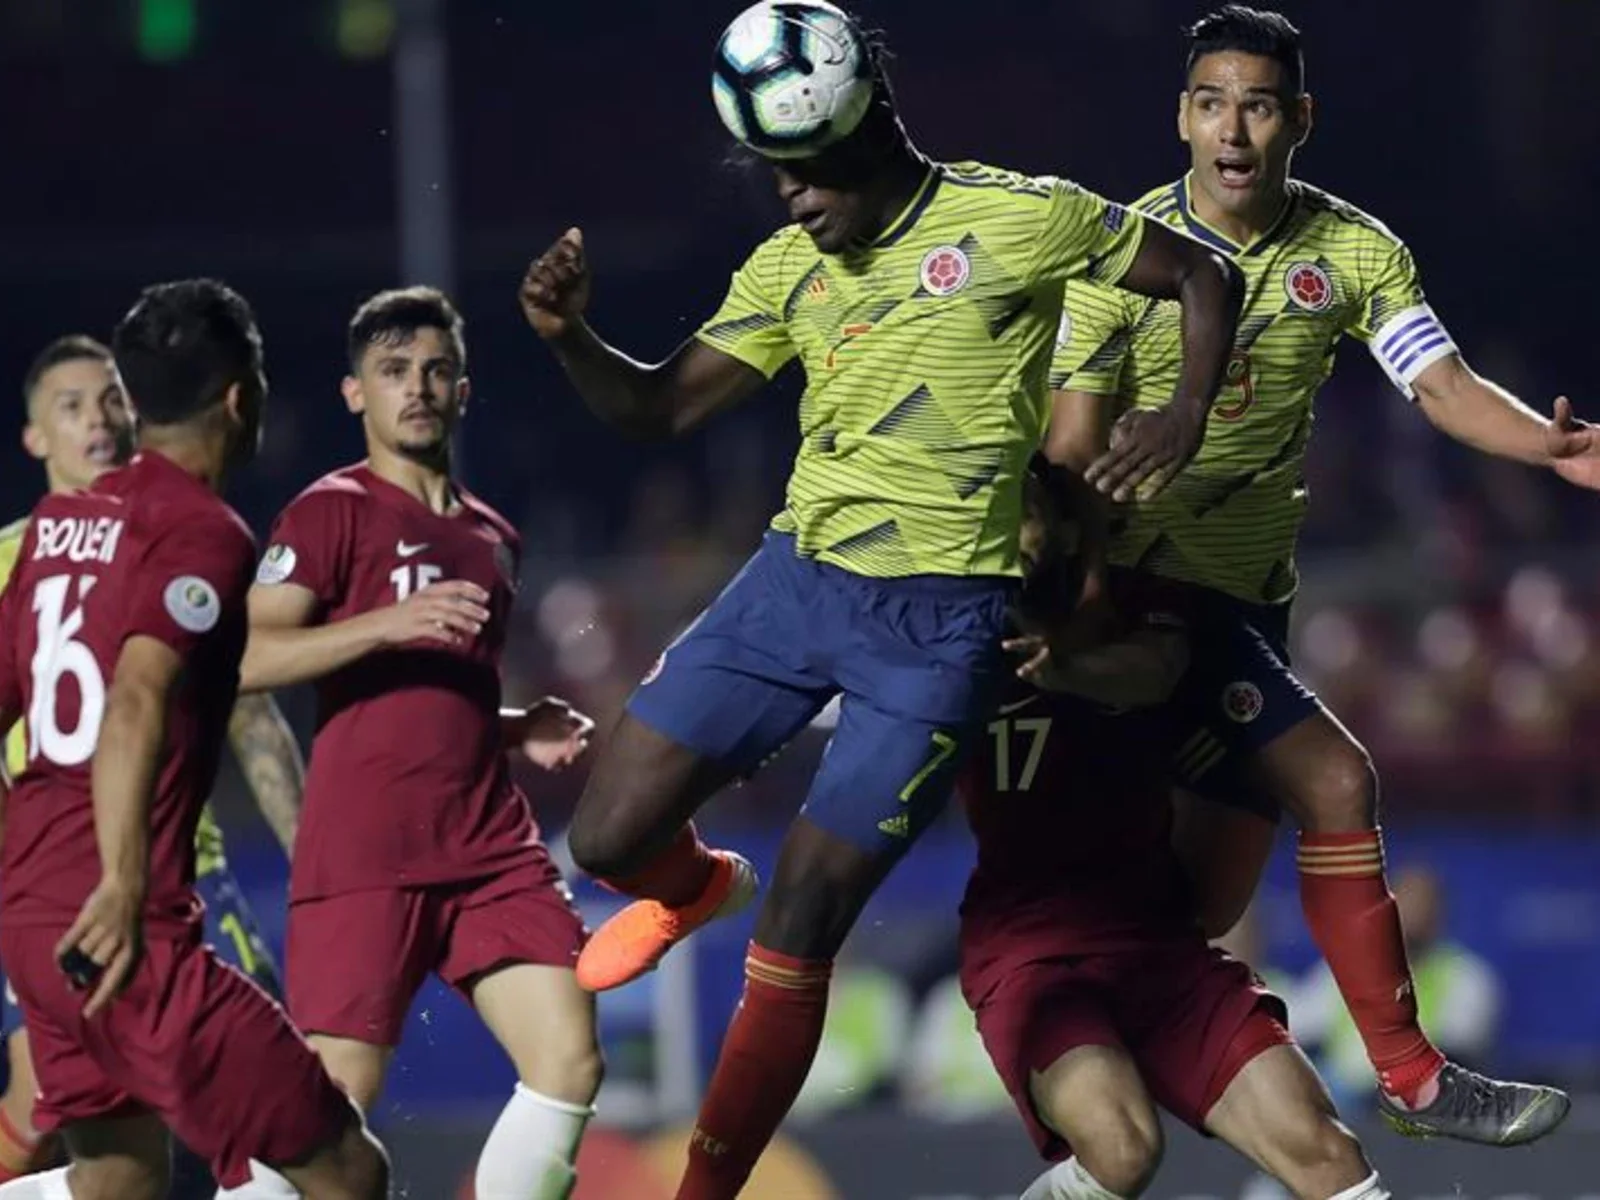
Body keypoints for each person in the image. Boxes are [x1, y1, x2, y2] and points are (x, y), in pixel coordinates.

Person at [520, 5, 1246, 1193]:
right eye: (771, 171)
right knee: (604, 838)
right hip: (793, 585)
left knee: (803, 918)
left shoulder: (1017, 218)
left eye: (804, 170)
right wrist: (568, 336)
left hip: (941, 630)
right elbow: (656, 409)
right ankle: (695, 885)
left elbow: (1204, 274)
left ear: (867, 128)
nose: (788, 196)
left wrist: (1182, 413)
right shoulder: (789, 267)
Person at [1049, 3, 1580, 1142]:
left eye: (1256, 106)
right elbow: (1068, 446)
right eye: (1210, 104)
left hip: (1249, 605)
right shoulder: (1118, 254)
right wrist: (1080, 590)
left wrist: (1549, 445)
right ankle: (1411, 1078)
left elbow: (1440, 386)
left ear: (1300, 119)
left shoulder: (1351, 252)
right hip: (1134, 593)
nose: (1232, 131)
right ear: (1181, 119)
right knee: (1334, 785)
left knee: (1199, 909)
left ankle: (1103, 1122)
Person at [0, 279, 388, 1200]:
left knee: (119, 1176)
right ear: (240, 398)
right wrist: (123, 882)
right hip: (127, 928)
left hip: (33, 921)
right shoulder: (201, 532)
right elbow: (137, 698)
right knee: (349, 1171)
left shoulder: (57, 525)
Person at [242, 287, 602, 1200]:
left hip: (487, 848)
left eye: (436, 371)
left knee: (569, 1058)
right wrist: (385, 621)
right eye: (394, 371)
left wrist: (516, 729)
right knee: (330, 1119)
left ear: (462, 391)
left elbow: (431, 701)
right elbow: (241, 659)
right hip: (365, 850)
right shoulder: (328, 513)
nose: (418, 388)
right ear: (355, 393)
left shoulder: (494, 539)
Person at [963, 479, 1391, 1200]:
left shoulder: (1157, 606)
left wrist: (1063, 669)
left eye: (1029, 520)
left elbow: (1155, 671)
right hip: (1031, 954)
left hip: (1158, 947)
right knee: (1122, 1149)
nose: (1015, 541)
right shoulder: (956, 628)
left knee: (1327, 1152)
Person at [1295, 865, 1502, 1112]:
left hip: (1417, 1109)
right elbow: (1293, 1026)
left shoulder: (1465, 976)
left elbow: (1458, 1048)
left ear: (1440, 915)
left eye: (1422, 905)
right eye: (1404, 903)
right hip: (1342, 1105)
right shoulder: (1341, 969)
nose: (1412, 915)